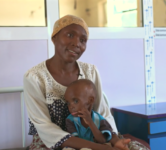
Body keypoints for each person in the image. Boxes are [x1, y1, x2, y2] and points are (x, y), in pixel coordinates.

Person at [23, 15, 130, 150]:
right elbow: (44, 127)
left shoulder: (90, 71)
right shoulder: (34, 77)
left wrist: (115, 141)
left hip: (91, 136)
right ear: (54, 37)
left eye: (83, 40)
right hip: (50, 142)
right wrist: (104, 148)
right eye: (70, 35)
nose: (77, 43)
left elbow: (102, 113)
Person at [64, 79, 131, 150]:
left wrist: (90, 122)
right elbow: (75, 141)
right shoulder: (70, 120)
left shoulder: (99, 119)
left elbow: (102, 140)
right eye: (68, 103)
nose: (71, 106)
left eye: (75, 101)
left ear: (90, 100)